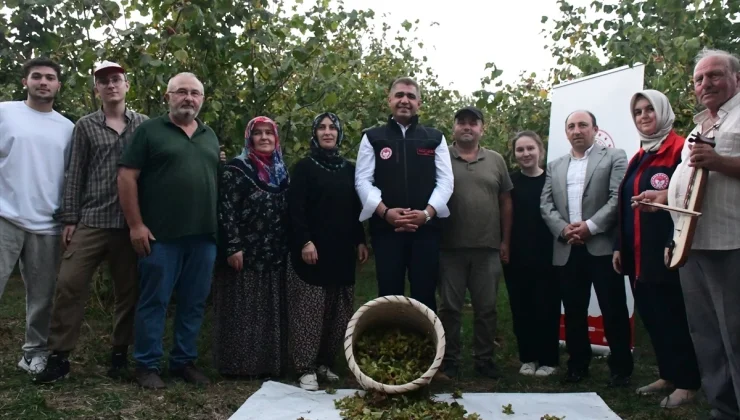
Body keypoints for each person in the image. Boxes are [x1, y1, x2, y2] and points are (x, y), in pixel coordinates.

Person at [635, 48, 740, 420]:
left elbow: (715, 167)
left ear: (736, 79)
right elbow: (693, 180)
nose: (705, 83)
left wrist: (722, 162)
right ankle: (723, 408)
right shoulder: (700, 126)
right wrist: (662, 197)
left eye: (714, 75)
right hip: (691, 244)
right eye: (699, 79)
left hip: (730, 244)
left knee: (735, 336)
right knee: (707, 335)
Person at [33, 61, 148, 384]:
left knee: (129, 291)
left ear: (127, 86)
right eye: (104, 81)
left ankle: (119, 354)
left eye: (116, 80)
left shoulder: (144, 126)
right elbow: (74, 174)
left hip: (129, 224)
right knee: (69, 284)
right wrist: (70, 218)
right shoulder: (85, 125)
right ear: (96, 89)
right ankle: (59, 356)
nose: (111, 85)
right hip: (92, 220)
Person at [118, 72, 219, 389]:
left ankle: (183, 362)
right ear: (168, 97)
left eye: (195, 93)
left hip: (203, 237)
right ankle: (146, 365)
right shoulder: (149, 131)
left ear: (202, 100)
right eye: (182, 92)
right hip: (160, 237)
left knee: (193, 302)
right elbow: (126, 177)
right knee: (154, 302)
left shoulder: (209, 135)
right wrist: (136, 225)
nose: (189, 98)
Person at [612, 90, 700, 408]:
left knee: (674, 316)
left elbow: (692, 194)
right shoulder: (641, 155)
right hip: (638, 255)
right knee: (652, 316)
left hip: (668, 251)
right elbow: (626, 205)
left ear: (663, 111)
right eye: (638, 111)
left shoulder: (681, 149)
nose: (644, 116)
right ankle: (668, 374)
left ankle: (689, 383)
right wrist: (620, 247)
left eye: (650, 109)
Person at [540, 110, 633, 386]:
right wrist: (564, 229)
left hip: (601, 245)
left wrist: (589, 227)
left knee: (613, 309)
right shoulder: (555, 165)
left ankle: (620, 369)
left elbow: (618, 197)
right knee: (574, 310)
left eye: (583, 125)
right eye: (571, 126)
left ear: (595, 129)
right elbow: (546, 205)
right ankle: (578, 365)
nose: (577, 130)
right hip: (568, 247)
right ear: (566, 132)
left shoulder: (615, 156)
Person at [0, 57, 74, 374]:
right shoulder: (5, 112)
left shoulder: (69, 128)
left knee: (42, 297)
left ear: (58, 85)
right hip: (5, 216)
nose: (43, 82)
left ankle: (33, 353)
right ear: (25, 82)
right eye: (37, 76)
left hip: (47, 223)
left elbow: (73, 176)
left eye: (50, 77)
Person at [355, 77, 454, 312]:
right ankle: (392, 347)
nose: (404, 100)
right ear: (389, 100)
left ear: (419, 102)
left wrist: (427, 214)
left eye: (410, 96)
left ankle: (428, 348)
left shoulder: (435, 138)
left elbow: (446, 181)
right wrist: (385, 212)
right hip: (387, 231)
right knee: (389, 295)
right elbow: (362, 180)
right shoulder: (372, 137)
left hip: (426, 232)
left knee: (424, 294)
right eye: (399, 95)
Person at [287, 112, 369, 390]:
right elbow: (295, 210)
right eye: (321, 127)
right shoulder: (304, 168)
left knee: (338, 312)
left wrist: (360, 240)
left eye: (332, 127)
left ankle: (325, 363)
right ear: (314, 133)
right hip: (314, 251)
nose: (327, 132)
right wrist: (304, 242)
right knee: (311, 311)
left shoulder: (349, 168)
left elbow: (355, 210)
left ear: (339, 133)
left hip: (342, 251)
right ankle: (304, 368)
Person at [212, 116, 292, 379]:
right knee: (244, 308)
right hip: (245, 252)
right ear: (250, 138)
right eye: (258, 133)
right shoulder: (238, 168)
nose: (265, 137)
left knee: (270, 308)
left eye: (269, 133)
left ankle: (269, 364)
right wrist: (233, 245)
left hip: (274, 251)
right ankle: (240, 365)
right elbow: (227, 209)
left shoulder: (281, 170)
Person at [437, 106, 511, 380]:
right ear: (454, 127)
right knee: (449, 308)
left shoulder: (496, 160)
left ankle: (484, 359)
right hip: (449, 248)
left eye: (473, 123)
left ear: (482, 128)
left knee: (487, 308)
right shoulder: (441, 157)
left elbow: (506, 201)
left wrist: (506, 241)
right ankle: (450, 359)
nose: (467, 127)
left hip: (487, 248)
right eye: (462, 122)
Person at [503, 131, 560, 378]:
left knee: (546, 307)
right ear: (514, 154)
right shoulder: (510, 183)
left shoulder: (552, 181)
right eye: (520, 150)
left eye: (530, 149)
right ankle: (528, 357)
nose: (525, 154)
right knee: (521, 308)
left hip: (548, 254)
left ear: (540, 151)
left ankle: (549, 359)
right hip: (516, 255)